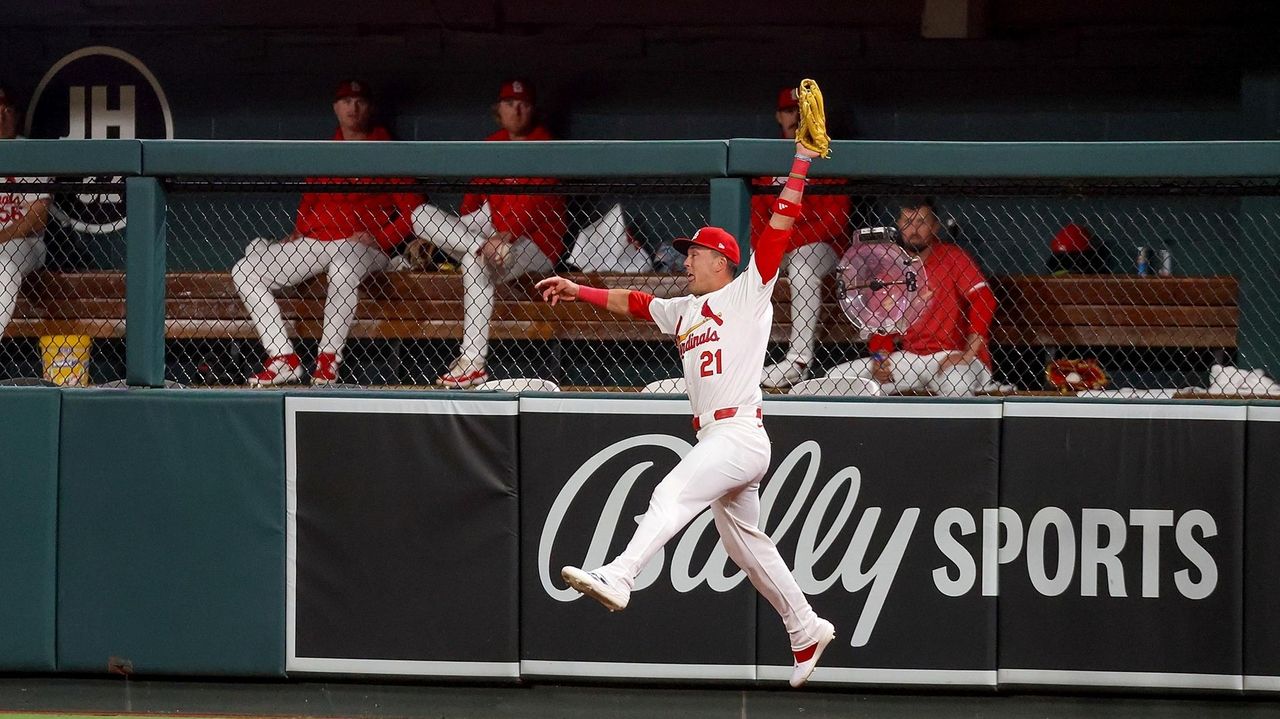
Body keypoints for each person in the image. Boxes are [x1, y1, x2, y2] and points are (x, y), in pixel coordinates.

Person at [535, 139, 836, 689]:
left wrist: (801, 161)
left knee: (670, 492)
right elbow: (634, 302)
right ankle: (806, 628)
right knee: (748, 547)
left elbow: (780, 225)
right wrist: (577, 288)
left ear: (721, 261)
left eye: (695, 252)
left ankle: (622, 574)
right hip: (722, 436)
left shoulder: (748, 293)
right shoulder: (682, 309)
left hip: (739, 431)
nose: (686, 257)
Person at [232, 80, 422, 387]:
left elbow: (416, 213)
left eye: (359, 100)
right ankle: (283, 358)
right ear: (335, 108)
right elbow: (309, 203)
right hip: (315, 242)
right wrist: (296, 232)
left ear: (370, 107)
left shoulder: (387, 150)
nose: (352, 107)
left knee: (344, 267)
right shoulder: (326, 150)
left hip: (359, 246)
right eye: (346, 100)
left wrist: (382, 238)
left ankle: (328, 360)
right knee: (245, 269)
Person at [411, 79, 567, 388]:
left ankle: (472, 362)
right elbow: (471, 205)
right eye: (510, 104)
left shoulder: (544, 145)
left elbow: (532, 207)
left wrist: (505, 236)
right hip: (492, 239)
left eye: (523, 104)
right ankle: (477, 246)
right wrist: (470, 237)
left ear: (533, 109)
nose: (517, 109)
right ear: (499, 110)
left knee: (473, 263)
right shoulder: (493, 144)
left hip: (536, 243)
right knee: (420, 216)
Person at [825, 197, 996, 396]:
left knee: (957, 385)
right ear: (898, 226)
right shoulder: (892, 266)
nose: (914, 229)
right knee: (835, 378)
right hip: (910, 359)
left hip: (953, 356)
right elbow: (882, 324)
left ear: (935, 227)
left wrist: (968, 354)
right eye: (907, 222)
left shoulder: (954, 257)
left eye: (921, 222)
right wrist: (880, 361)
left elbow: (984, 300)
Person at [755, 88, 853, 388]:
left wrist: (787, 241)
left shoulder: (827, 153)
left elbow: (836, 219)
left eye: (801, 110)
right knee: (740, 266)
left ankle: (797, 361)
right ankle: (738, 359)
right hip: (779, 243)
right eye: (788, 110)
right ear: (778, 115)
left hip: (823, 249)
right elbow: (756, 216)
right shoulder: (764, 159)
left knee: (801, 266)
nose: (795, 116)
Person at [0, 86, 51, 337]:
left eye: (7, 109)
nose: (2, 115)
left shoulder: (31, 151)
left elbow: (38, 216)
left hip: (24, 245)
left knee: (4, 262)